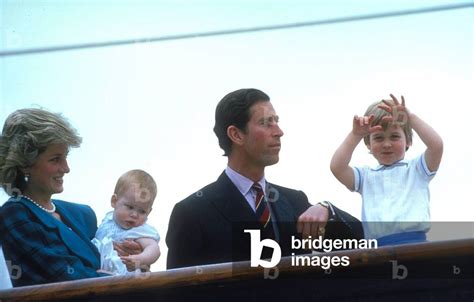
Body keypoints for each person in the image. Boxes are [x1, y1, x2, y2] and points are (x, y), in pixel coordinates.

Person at [166, 88, 363, 269]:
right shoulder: (192, 213)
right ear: (236, 134)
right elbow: (177, 292)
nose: (279, 131)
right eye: (265, 123)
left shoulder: (295, 202)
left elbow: (360, 243)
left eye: (276, 121)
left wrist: (328, 210)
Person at [0, 108, 109, 286]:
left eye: (65, 157)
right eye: (56, 159)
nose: (66, 168)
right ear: (25, 164)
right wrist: (114, 278)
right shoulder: (15, 214)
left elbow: (113, 259)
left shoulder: (82, 214)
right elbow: (71, 279)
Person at [330, 94, 443, 246]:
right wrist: (355, 135)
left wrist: (410, 118)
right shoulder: (366, 177)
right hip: (377, 250)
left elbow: (436, 145)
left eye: (394, 136)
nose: (387, 144)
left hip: (415, 245)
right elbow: (337, 167)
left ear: (408, 141)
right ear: (368, 144)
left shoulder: (417, 170)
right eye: (378, 138)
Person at [93, 169, 160, 274]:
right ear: (114, 201)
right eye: (130, 207)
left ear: (149, 212)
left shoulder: (139, 230)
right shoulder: (107, 221)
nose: (134, 215)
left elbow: (154, 248)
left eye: (142, 211)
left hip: (126, 274)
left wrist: (140, 259)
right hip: (99, 270)